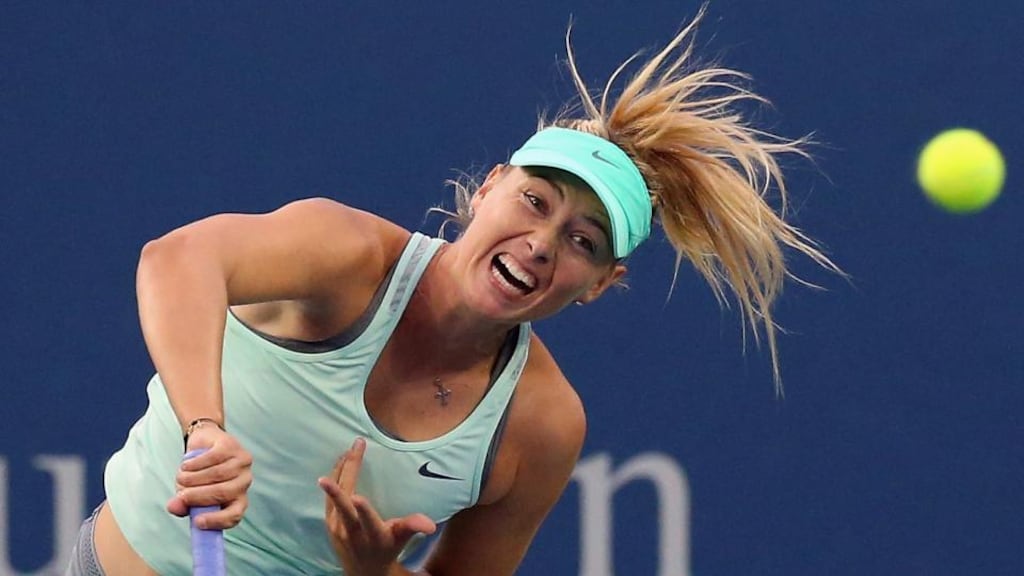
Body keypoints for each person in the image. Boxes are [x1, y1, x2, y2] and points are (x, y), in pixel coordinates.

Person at [67, 8, 839, 576]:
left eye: (582, 242)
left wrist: (376, 575)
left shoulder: (540, 424)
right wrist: (205, 428)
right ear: (490, 188)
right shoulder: (347, 255)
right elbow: (177, 260)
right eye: (535, 202)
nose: (541, 244)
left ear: (602, 285)